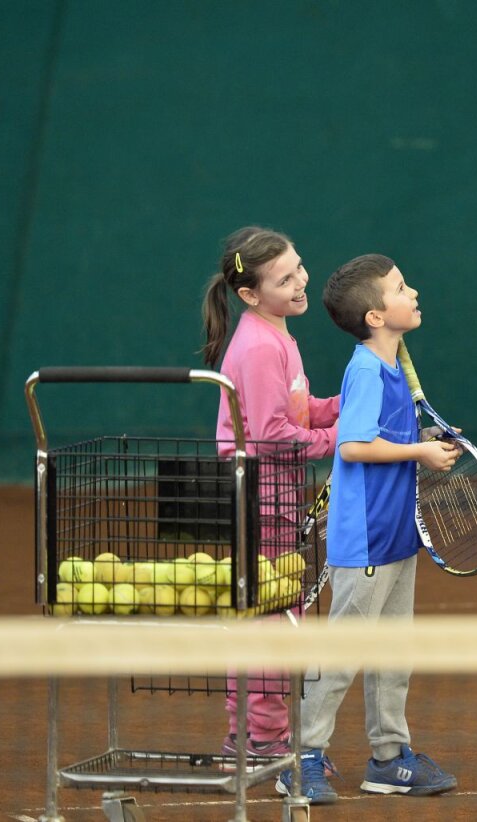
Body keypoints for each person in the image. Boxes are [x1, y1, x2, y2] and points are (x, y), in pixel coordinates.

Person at [276, 253, 460, 804]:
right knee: (344, 653)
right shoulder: (364, 371)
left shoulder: (394, 360)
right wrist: (420, 452)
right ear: (376, 316)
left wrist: (425, 440)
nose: (414, 292)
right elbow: (354, 446)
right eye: (402, 288)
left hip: (398, 535)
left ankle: (388, 759)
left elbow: (385, 435)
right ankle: (302, 757)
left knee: (392, 653)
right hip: (366, 540)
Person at [200, 226, 339, 758]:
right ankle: (263, 737)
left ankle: (251, 734)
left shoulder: (276, 332)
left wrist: (345, 407)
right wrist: (337, 441)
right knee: (274, 620)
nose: (302, 282)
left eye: (300, 266)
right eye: (285, 279)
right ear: (249, 295)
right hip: (260, 503)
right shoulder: (259, 346)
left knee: (269, 614)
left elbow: (295, 409)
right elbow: (272, 434)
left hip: (274, 499)